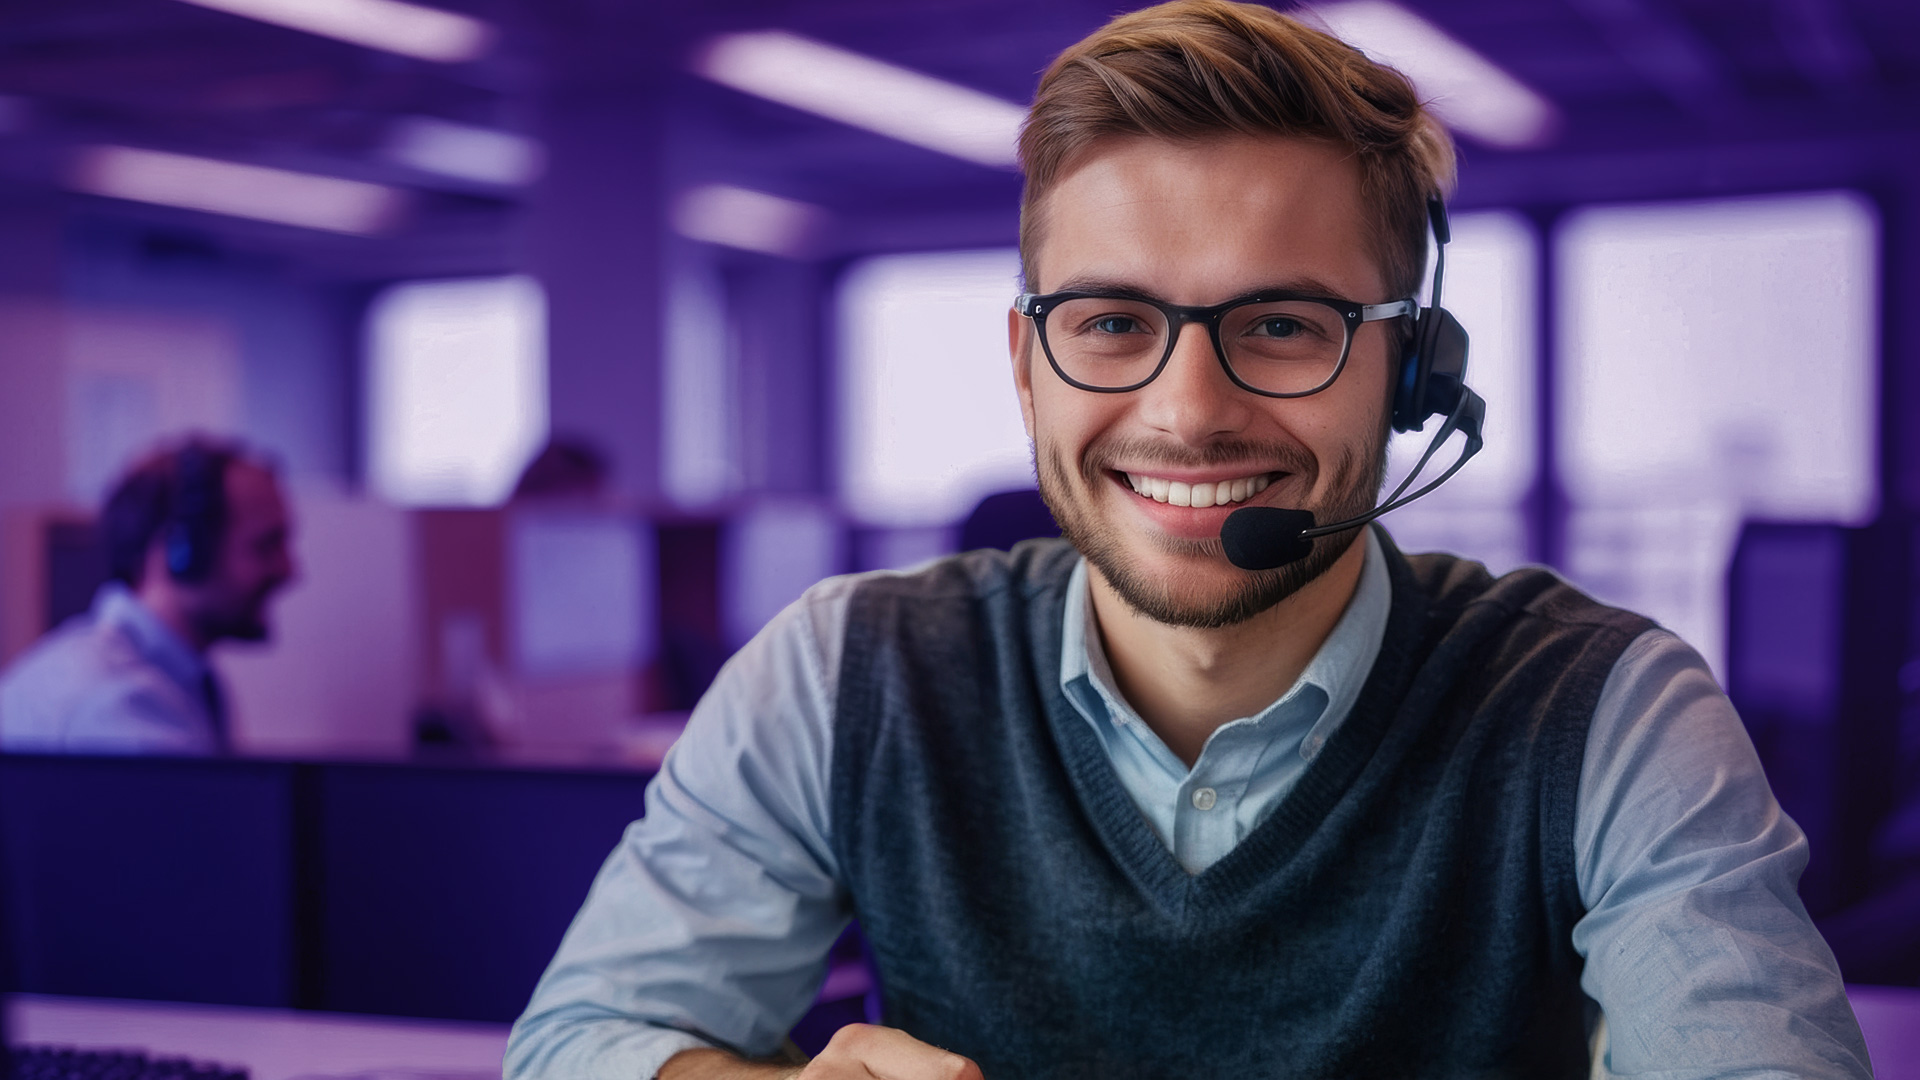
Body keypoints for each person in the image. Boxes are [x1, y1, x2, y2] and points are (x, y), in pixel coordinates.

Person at [507, 3, 1871, 1077]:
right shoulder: (847, 672)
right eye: (1108, 323)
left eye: (1282, 324)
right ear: (1028, 367)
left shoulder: (1604, 710)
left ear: (1404, 377)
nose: (1187, 411)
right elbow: (577, 1040)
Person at [0, 436, 296, 755]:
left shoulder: (177, 679)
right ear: (181, 554)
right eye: (265, 546)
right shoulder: (116, 707)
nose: (289, 570)